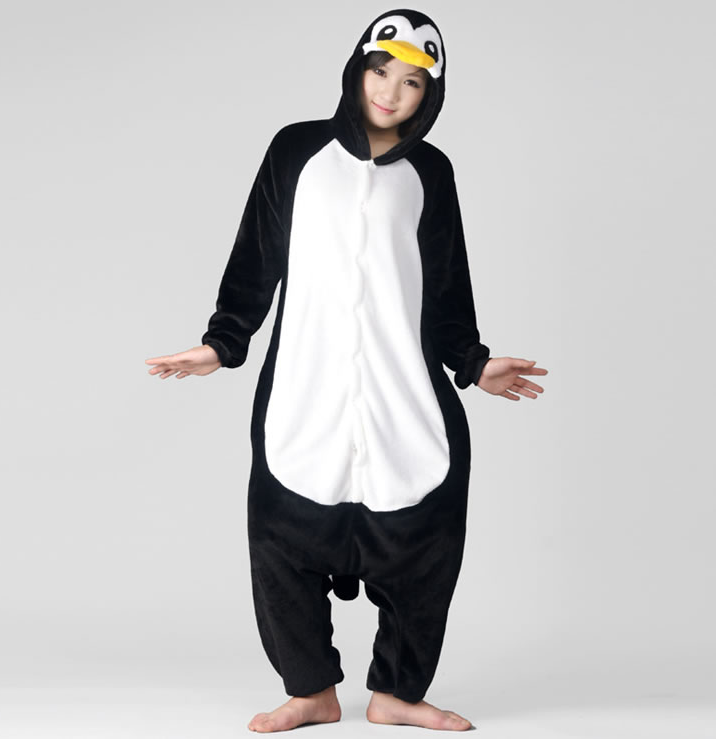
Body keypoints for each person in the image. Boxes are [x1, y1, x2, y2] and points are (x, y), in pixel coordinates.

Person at [146, 8, 548, 733]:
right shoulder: (295, 151)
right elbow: (256, 255)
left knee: (426, 549)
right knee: (279, 544)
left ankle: (397, 693)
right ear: (356, 70)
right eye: (379, 72)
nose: (391, 92)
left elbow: (447, 285)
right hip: (305, 393)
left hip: (407, 398)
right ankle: (311, 691)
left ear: (430, 94)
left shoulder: (430, 172)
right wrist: (222, 342)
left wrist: (473, 363)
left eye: (412, 82)